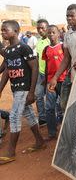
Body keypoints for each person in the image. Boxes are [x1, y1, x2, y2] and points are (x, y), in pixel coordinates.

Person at [0, 20, 46, 165]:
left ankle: (11, 152)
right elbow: (6, 71)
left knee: (14, 117)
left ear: (15, 31)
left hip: (24, 88)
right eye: (1, 30)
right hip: (16, 89)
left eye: (5, 30)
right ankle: (40, 141)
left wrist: (31, 92)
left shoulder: (24, 48)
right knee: (29, 114)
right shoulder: (8, 51)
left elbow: (34, 67)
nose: (2, 32)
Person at [42, 25, 67, 140]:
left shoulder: (63, 46)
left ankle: (66, 130)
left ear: (58, 34)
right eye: (49, 33)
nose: (51, 35)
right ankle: (52, 132)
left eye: (53, 32)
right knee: (49, 108)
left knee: (64, 107)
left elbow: (67, 62)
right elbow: (47, 65)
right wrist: (46, 80)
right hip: (50, 82)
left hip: (62, 80)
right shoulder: (46, 49)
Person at [35, 19, 50, 126]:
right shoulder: (39, 42)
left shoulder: (51, 41)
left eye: (42, 28)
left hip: (50, 74)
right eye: (38, 28)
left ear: (47, 28)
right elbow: (37, 57)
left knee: (52, 98)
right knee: (38, 96)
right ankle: (42, 118)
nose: (40, 30)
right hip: (40, 74)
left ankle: (56, 116)